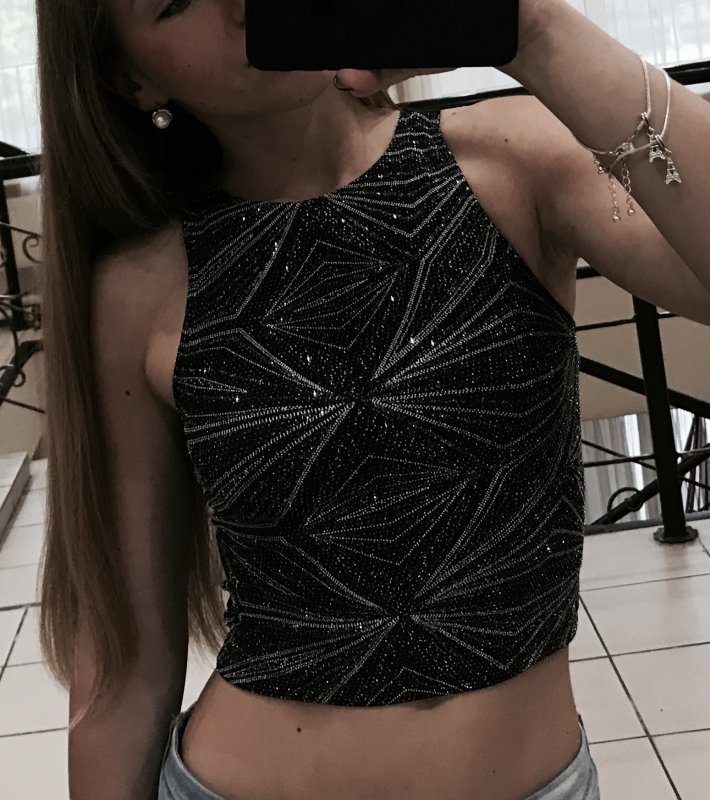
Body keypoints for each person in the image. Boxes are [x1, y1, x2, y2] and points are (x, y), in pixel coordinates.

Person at [35, 0, 710, 799]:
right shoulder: (141, 288)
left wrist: (531, 28)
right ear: (131, 78)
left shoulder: (507, 159)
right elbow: (126, 665)